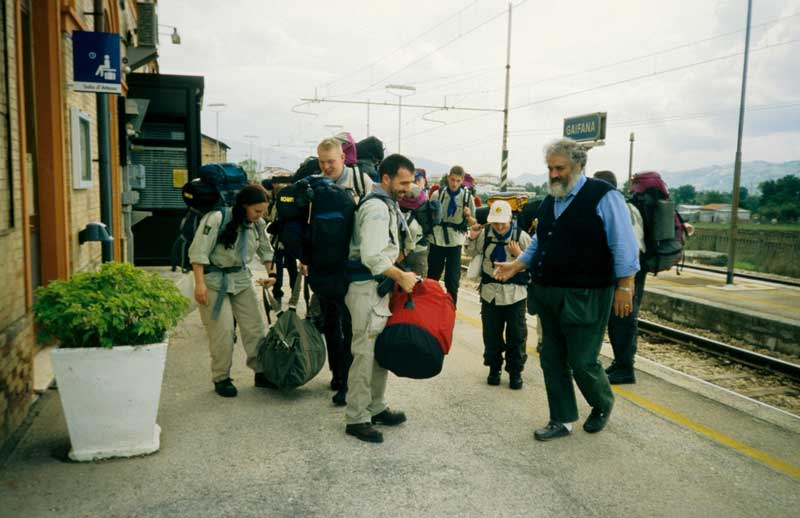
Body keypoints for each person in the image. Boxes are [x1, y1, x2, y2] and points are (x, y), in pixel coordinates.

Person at [493, 138, 639, 441]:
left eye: (560, 168)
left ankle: (602, 402)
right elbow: (540, 242)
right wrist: (517, 264)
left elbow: (623, 243)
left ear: (579, 166)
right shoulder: (551, 200)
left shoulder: (604, 195)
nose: (554, 174)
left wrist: (625, 286)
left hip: (586, 294)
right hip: (548, 293)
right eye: (550, 168)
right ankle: (561, 418)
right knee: (551, 357)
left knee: (582, 360)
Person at [343, 154, 418, 443]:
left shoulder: (387, 204)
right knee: (364, 354)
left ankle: (375, 406)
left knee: (377, 353)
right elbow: (372, 255)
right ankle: (357, 418)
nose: (407, 188)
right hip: (366, 287)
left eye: (410, 182)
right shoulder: (376, 208)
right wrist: (401, 276)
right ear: (385, 179)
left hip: (376, 288)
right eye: (403, 182)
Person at [189, 184, 276, 398]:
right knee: (224, 332)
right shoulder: (216, 219)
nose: (260, 215)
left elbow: (266, 250)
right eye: (256, 211)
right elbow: (198, 253)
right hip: (214, 281)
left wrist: (271, 274)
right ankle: (221, 377)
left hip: (241, 279)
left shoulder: (257, 224)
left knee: (255, 327)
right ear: (244, 206)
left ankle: (261, 371)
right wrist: (199, 284)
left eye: (263, 211)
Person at [306, 138, 375, 407]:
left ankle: (348, 381)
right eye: (321, 162)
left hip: (352, 265)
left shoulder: (361, 182)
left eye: (330, 162)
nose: (325, 167)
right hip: (324, 265)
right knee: (331, 323)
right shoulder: (314, 184)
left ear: (342, 159)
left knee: (351, 324)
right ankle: (338, 375)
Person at [464, 200, 531, 389]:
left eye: (503, 222)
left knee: (516, 335)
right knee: (491, 334)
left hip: (515, 294)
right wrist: (472, 236)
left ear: (510, 218)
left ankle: (515, 372)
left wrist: (519, 254)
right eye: (496, 223)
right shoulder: (484, 235)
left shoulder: (521, 237)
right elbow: (470, 252)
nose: (500, 227)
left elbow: (534, 262)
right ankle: (494, 368)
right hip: (490, 294)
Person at [593, 170, 646, 384]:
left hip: (626, 270)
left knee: (621, 319)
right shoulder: (629, 206)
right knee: (621, 319)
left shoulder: (615, 206)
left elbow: (623, 244)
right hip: (634, 266)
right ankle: (621, 363)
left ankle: (625, 368)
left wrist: (624, 282)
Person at [428, 165, 477, 307]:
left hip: (455, 242)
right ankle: (429, 305)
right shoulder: (438, 194)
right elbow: (429, 216)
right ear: (448, 178)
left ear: (462, 181)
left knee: (452, 279)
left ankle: (450, 309)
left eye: (458, 180)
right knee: (433, 275)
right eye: (452, 180)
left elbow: (473, 223)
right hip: (437, 239)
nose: (454, 183)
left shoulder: (468, 198)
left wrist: (468, 216)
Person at [263, 174, 298, 310]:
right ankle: (294, 298)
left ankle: (277, 295)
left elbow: (270, 217)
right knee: (292, 268)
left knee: (277, 268)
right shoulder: (292, 199)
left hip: (278, 241)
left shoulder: (278, 200)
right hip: (291, 240)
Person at [398, 181, 430, 277]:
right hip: (415, 250)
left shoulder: (411, 223)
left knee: (418, 288)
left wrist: (391, 265)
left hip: (416, 254)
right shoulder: (408, 215)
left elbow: (408, 249)